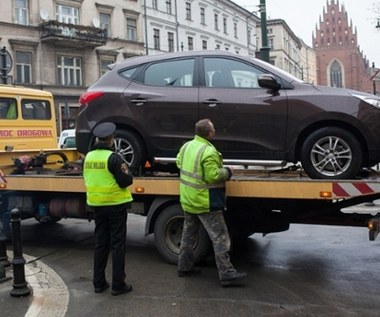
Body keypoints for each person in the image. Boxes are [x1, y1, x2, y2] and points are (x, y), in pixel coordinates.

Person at [176, 118, 247, 287]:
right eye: (213, 129)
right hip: (204, 201)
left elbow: (179, 162)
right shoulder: (208, 152)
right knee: (220, 237)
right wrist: (228, 171)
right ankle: (227, 273)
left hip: (188, 198)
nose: (215, 131)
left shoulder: (187, 146)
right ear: (209, 133)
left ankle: (184, 267)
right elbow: (213, 176)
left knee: (188, 235)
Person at [83, 122, 134, 296]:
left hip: (97, 205)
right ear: (111, 140)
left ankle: (98, 283)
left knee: (101, 243)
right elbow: (126, 181)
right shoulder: (113, 158)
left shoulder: (88, 157)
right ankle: (118, 284)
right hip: (115, 206)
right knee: (117, 245)